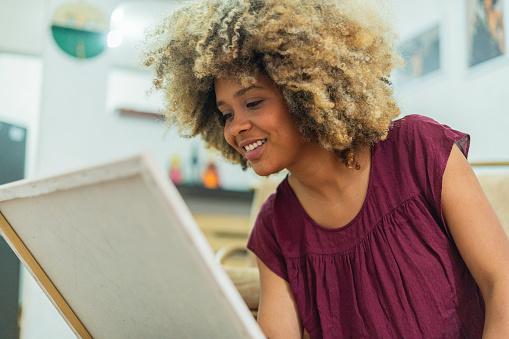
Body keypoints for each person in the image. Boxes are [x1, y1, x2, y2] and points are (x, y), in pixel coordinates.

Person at [141, 0, 509, 337]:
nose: (235, 127)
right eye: (226, 114)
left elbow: (501, 283)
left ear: (307, 89)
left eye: (253, 102)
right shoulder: (275, 225)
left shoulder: (417, 148)